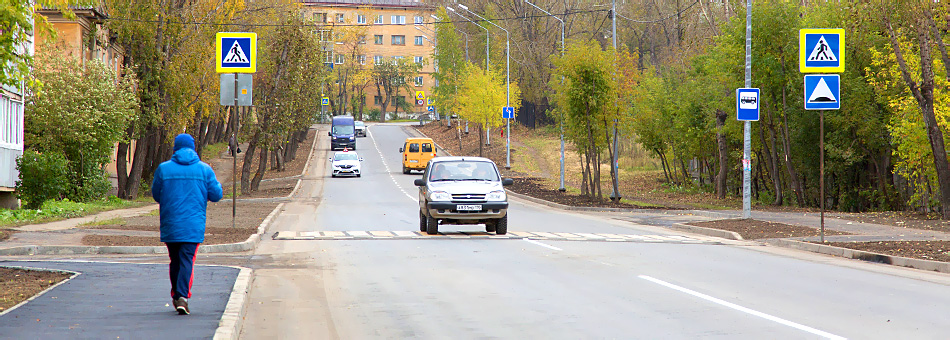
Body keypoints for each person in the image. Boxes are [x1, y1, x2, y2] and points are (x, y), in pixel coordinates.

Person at [152, 134, 223, 315]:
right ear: (193, 148)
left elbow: (156, 195)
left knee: (175, 259)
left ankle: (177, 295)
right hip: (193, 224)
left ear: (175, 148)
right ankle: (182, 296)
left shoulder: (163, 169)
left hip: (170, 223)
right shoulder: (205, 170)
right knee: (186, 260)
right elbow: (216, 195)